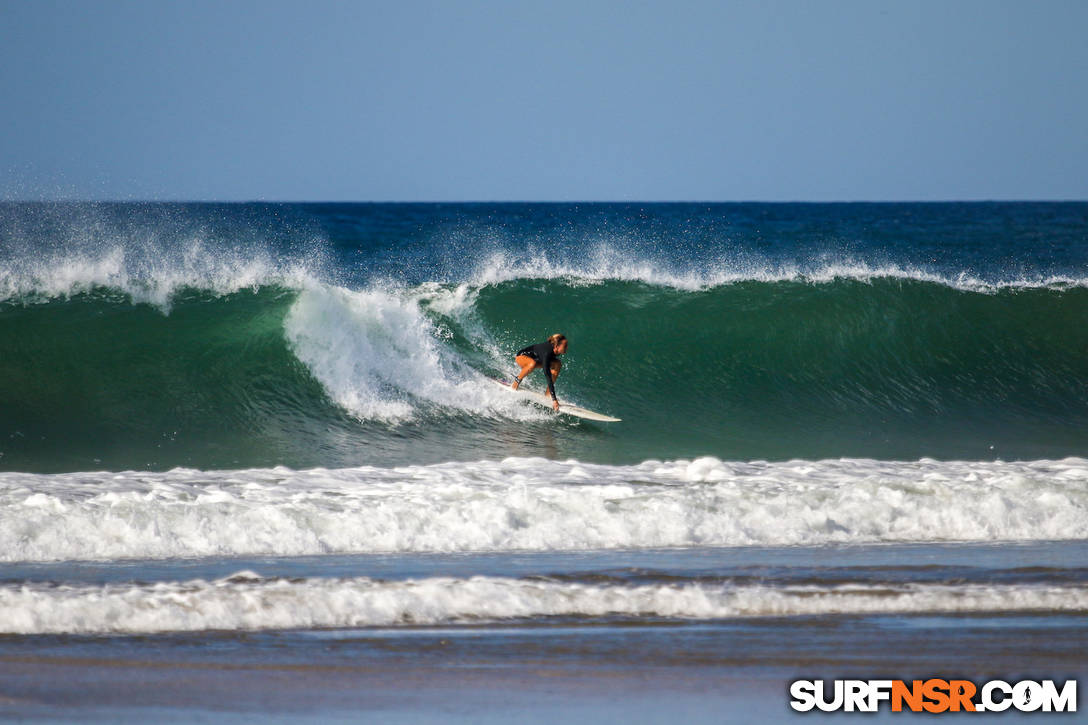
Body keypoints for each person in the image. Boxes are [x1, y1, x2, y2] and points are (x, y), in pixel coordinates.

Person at [512, 333, 568, 411]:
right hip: (522, 357)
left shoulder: (554, 349)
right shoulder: (547, 353)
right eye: (565, 346)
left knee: (557, 364)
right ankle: (516, 382)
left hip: (536, 360)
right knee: (532, 364)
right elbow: (547, 375)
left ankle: (548, 393)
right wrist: (554, 399)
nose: (567, 348)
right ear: (557, 346)